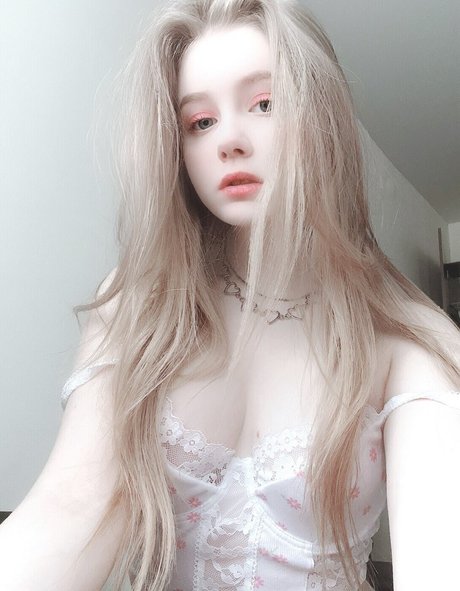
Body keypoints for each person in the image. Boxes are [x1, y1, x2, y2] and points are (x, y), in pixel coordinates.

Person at [1, 0, 459, 590]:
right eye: (200, 122)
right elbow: (69, 510)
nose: (229, 142)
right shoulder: (138, 305)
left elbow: (441, 554)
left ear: (322, 119)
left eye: (264, 104)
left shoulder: (403, 341)